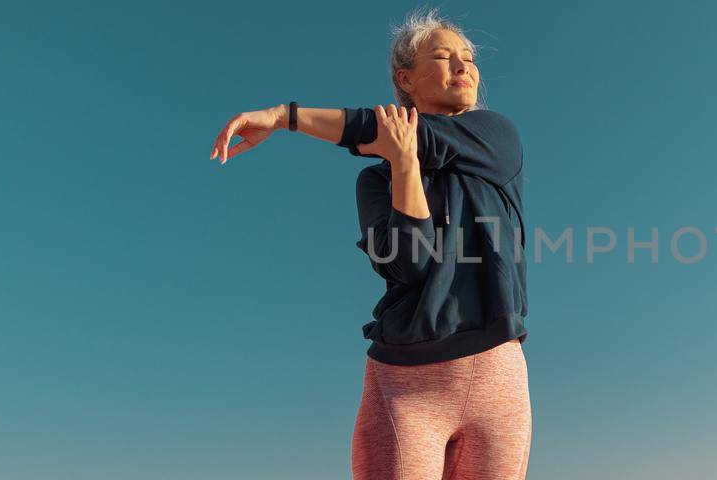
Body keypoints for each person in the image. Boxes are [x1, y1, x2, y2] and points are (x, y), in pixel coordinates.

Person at [205, 8, 531, 480]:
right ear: (406, 79)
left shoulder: (497, 140)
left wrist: (283, 117)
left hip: (497, 376)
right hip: (405, 382)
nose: (463, 66)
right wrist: (402, 167)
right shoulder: (374, 183)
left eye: (468, 58)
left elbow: (393, 131)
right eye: (443, 56)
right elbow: (410, 264)